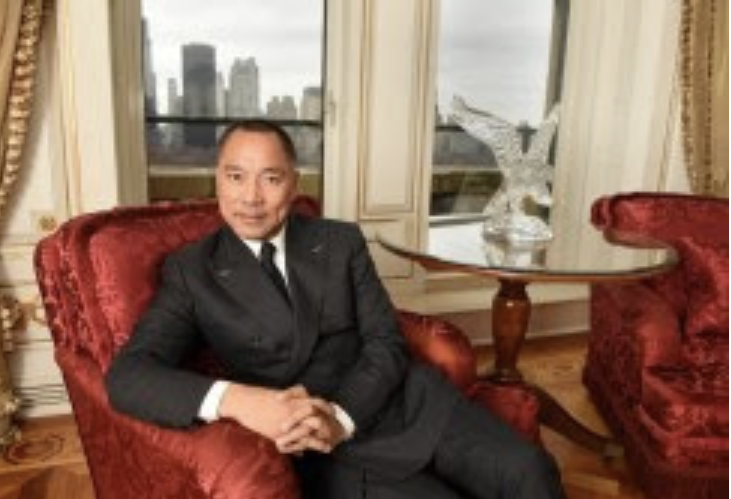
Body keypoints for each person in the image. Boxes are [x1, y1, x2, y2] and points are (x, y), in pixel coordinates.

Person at [106, 119, 565, 499]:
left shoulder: (340, 241)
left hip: (402, 404)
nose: (251, 197)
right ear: (217, 181)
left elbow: (385, 342)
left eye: (271, 178)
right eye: (236, 176)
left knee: (530, 471)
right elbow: (129, 375)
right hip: (318, 450)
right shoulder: (192, 270)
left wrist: (342, 417)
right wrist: (240, 401)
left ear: (293, 185)